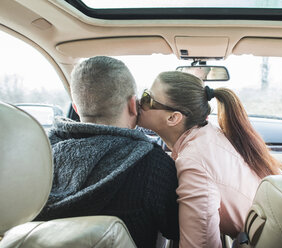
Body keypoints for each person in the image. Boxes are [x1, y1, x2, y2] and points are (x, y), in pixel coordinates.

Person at [35, 56, 179, 248]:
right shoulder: (153, 165)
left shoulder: (39, 157)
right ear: (132, 105)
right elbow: (176, 230)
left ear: (76, 108)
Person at [137, 71, 282, 248]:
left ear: (173, 118)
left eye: (147, 99)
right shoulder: (209, 134)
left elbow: (200, 246)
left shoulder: (194, 161)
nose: (139, 103)